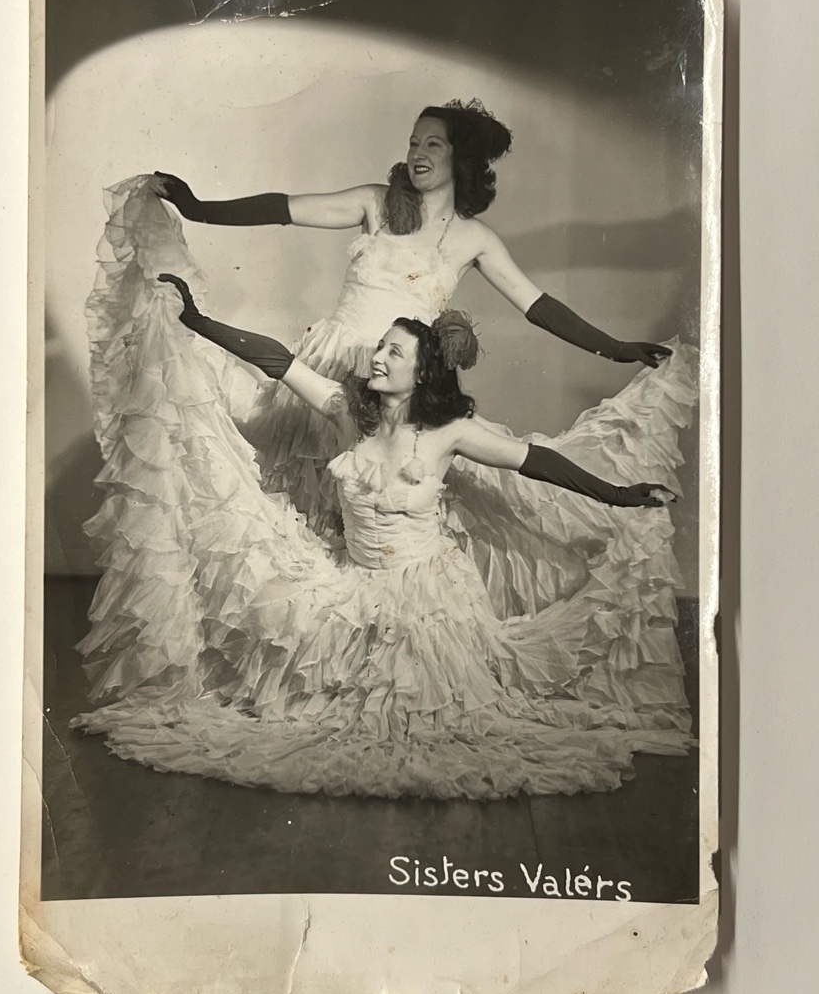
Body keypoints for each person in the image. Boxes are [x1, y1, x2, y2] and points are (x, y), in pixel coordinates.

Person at [74, 271, 692, 800]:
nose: (378, 357)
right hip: (354, 582)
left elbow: (534, 462)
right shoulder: (347, 410)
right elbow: (277, 361)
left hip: (428, 598)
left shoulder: (450, 432)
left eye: (394, 352)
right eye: (381, 348)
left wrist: (618, 494)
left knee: (423, 717)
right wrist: (198, 319)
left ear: (422, 372)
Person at [150, 99, 678, 626]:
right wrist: (199, 209)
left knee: (398, 504)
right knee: (303, 506)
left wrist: (616, 348)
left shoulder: (475, 239)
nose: (418, 152)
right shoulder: (375, 203)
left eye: (434, 143)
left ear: (461, 159)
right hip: (330, 371)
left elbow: (536, 306)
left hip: (401, 381)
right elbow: (284, 207)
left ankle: (383, 634)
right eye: (413, 141)